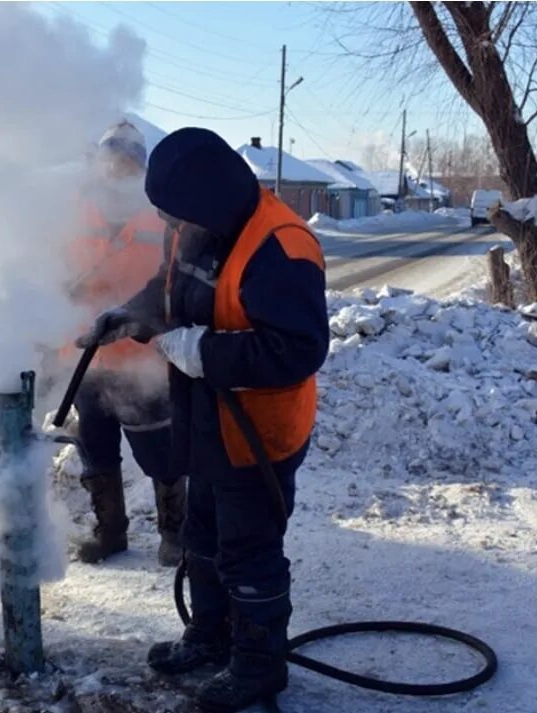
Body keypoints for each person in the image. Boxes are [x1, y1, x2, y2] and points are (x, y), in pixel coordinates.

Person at [78, 127, 329, 711]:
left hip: (257, 434)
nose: (168, 226)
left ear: (205, 197)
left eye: (174, 214)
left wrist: (201, 352)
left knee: (248, 551)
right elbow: (169, 289)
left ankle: (258, 666)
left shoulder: (282, 248)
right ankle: (210, 636)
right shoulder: (199, 227)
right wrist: (130, 315)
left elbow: (297, 349)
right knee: (203, 538)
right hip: (206, 419)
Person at [66, 120, 186, 567]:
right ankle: (110, 531)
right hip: (86, 356)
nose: (116, 171)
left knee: (161, 451)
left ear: (140, 168)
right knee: (95, 450)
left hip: (142, 356)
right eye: (110, 162)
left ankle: (176, 532)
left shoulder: (161, 216)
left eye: (127, 163)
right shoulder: (74, 212)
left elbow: (174, 284)